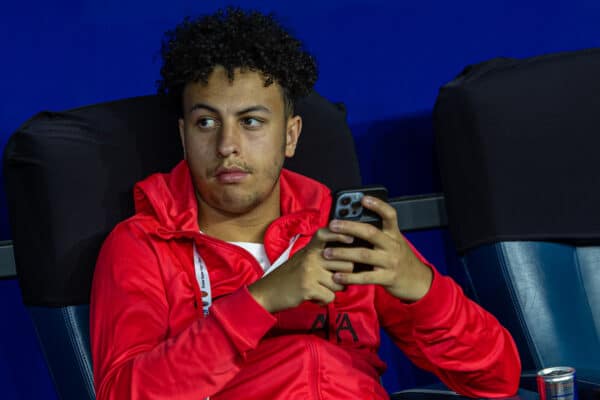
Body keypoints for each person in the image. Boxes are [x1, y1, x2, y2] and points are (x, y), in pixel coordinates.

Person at [90, 7, 521, 400]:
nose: (227, 146)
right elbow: (123, 394)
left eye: (251, 122)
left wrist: (419, 286)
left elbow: (497, 378)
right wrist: (260, 301)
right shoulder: (141, 246)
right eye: (207, 123)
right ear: (185, 138)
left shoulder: (341, 231)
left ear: (290, 135)